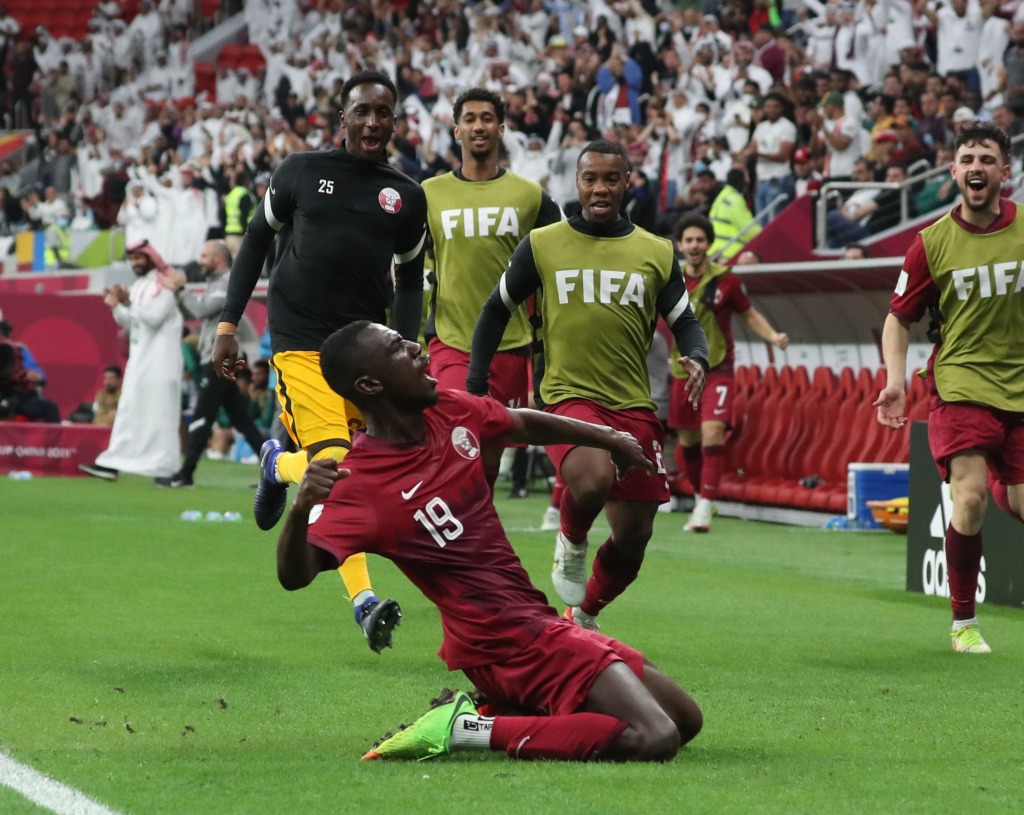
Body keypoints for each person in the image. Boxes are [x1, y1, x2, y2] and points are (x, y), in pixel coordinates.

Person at [276, 321, 703, 762]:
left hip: (535, 621)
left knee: (686, 720)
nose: (417, 347)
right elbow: (295, 574)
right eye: (399, 348)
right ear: (370, 383)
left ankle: (503, 709)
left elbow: (519, 423)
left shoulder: (448, 410)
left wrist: (610, 438)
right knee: (655, 736)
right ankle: (467, 728)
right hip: (499, 642)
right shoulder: (359, 482)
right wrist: (300, 508)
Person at [210, 70, 428, 652]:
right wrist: (229, 324)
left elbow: (409, 282)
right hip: (300, 343)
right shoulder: (300, 172)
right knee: (337, 466)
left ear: (395, 122)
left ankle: (275, 464)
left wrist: (401, 353)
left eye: (385, 113)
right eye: (363, 111)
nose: (374, 122)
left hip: (361, 350)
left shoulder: (406, 195)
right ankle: (363, 603)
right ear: (343, 115)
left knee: (348, 467)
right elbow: (256, 240)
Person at [468, 140, 708, 632]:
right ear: (576, 183)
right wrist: (476, 384)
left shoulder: (657, 251)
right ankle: (572, 539)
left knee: (635, 535)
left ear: (626, 183)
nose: (600, 188)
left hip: (634, 406)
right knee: (594, 478)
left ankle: (584, 614)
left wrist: (697, 356)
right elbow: (496, 309)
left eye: (610, 179)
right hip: (565, 397)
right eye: (590, 178)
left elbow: (686, 321)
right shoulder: (543, 244)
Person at [873, 122, 1024, 655]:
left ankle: (995, 473)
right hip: (958, 383)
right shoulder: (930, 244)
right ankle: (964, 622)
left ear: (1006, 171)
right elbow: (898, 319)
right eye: (967, 158)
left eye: (987, 158)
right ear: (954, 171)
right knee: (971, 498)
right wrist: (895, 379)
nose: (977, 166)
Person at [422, 87, 561, 489]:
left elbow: (558, 262)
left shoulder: (531, 196)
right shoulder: (430, 193)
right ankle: (445, 543)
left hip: (511, 346)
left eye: (486, 118)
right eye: (469, 119)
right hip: (451, 340)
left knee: (485, 462)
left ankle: (471, 543)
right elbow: (406, 260)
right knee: (454, 446)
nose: (478, 125)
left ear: (501, 129)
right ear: (456, 130)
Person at [670, 213, 788, 533]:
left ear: (709, 244)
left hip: (717, 369)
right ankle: (701, 496)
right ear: (680, 245)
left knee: (711, 433)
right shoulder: (670, 278)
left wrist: (773, 335)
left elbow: (749, 314)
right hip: (681, 371)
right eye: (689, 240)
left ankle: (705, 508)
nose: (694, 245)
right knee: (689, 442)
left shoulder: (727, 279)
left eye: (700, 240)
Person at [155, 239, 265, 488]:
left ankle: (185, 474)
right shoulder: (217, 283)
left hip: (218, 361)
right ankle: (273, 472)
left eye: (204, 256)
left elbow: (202, 311)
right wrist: (178, 292)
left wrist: (181, 290)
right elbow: (200, 312)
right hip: (218, 359)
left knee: (202, 417)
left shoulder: (227, 282)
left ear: (218, 258)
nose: (199, 261)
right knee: (242, 421)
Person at [80, 240, 185, 480]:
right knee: (129, 410)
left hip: (162, 362)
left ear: (151, 259)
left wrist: (126, 303)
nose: (135, 263)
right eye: (132, 259)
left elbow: (155, 318)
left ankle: (165, 467)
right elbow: (131, 322)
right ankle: (113, 462)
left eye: (140, 258)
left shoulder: (166, 283)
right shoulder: (138, 286)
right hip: (140, 360)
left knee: (161, 414)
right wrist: (116, 307)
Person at [707, 168, 760, 263]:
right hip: (730, 253)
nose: (747, 183)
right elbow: (750, 229)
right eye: (745, 180)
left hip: (715, 253)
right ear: (740, 181)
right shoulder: (735, 200)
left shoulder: (720, 198)